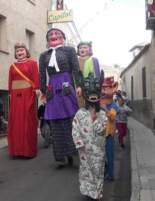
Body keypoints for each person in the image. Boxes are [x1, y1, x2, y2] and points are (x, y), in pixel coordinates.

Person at [39, 28, 81, 170]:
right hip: (52, 86)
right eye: (50, 34)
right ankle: (60, 158)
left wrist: (79, 85)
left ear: (62, 37)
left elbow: (75, 69)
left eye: (57, 34)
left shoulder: (69, 51)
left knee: (70, 118)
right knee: (55, 120)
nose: (54, 35)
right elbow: (42, 75)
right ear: (47, 39)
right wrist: (43, 91)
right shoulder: (43, 55)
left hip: (66, 83)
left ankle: (71, 152)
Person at [72, 70, 107, 200]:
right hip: (85, 149)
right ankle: (88, 192)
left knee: (97, 170)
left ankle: (97, 193)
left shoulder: (102, 114)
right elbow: (75, 129)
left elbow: (101, 130)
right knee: (86, 171)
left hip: (98, 149)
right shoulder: (80, 114)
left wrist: (94, 117)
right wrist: (79, 143)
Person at [7, 43, 40, 159]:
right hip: (16, 96)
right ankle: (17, 151)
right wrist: (11, 93)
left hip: (27, 93)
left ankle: (28, 151)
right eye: (17, 51)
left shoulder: (32, 63)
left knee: (27, 120)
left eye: (21, 50)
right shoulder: (12, 66)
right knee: (16, 121)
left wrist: (37, 89)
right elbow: (10, 81)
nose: (19, 53)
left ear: (26, 52)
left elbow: (35, 77)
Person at [100, 76, 119, 182]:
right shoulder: (98, 103)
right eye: (102, 88)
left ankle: (111, 175)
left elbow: (112, 117)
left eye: (106, 88)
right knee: (100, 154)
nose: (103, 91)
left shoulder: (114, 105)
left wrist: (105, 108)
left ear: (113, 89)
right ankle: (105, 168)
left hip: (109, 134)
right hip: (100, 133)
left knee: (110, 155)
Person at [76, 41, 101, 108]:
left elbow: (97, 75)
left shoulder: (93, 60)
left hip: (90, 88)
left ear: (90, 49)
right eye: (80, 48)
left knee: (89, 106)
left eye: (85, 47)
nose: (82, 49)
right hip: (77, 87)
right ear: (78, 50)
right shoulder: (75, 60)